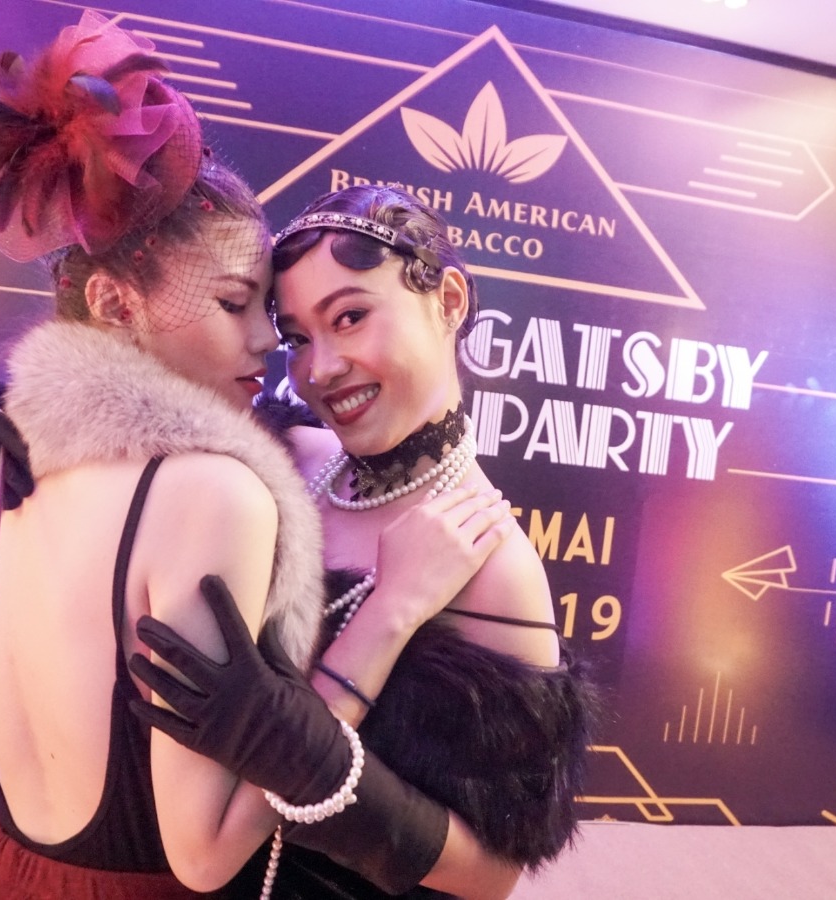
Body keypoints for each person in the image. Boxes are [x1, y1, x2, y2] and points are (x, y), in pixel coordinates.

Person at [0, 13, 516, 899]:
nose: (270, 345)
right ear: (116, 304)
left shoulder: (8, 473)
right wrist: (387, 614)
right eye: (235, 303)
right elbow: (205, 856)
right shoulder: (215, 493)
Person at [129, 185, 596, 898]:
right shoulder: (279, 457)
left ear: (449, 302)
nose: (319, 369)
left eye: (350, 317)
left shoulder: (493, 568)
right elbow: (138, 428)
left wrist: (320, 757)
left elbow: (492, 874)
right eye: (298, 338)